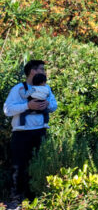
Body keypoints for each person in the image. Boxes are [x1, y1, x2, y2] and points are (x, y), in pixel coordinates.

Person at [3, 59, 57, 202]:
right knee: (19, 166)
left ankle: (35, 197)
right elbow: (7, 110)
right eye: (41, 69)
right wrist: (27, 106)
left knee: (38, 164)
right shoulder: (18, 89)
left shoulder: (47, 88)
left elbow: (54, 105)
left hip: (40, 131)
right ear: (32, 71)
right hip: (21, 133)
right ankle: (16, 199)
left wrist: (47, 105)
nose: (44, 72)